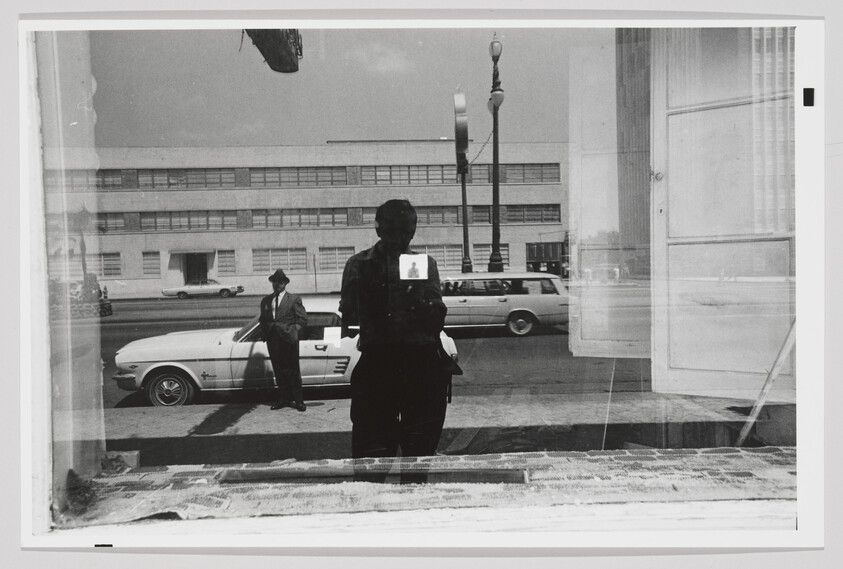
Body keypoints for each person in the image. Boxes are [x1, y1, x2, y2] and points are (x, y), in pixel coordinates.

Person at [339, 199, 455, 482]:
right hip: (398, 364)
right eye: (400, 229)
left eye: (405, 230)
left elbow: (350, 322)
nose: (403, 236)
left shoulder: (363, 264)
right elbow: (351, 320)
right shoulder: (363, 266)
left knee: (403, 456)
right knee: (383, 458)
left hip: (404, 364)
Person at [259, 269, 308, 412]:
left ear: (285, 283)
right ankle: (283, 399)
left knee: (293, 370)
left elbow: (303, 319)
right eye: (275, 282)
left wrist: (294, 331)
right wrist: (265, 332)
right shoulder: (266, 300)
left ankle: (298, 401)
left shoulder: (293, 299)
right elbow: (263, 319)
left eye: (280, 282)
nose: (277, 284)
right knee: (278, 370)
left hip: (289, 339)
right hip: (273, 340)